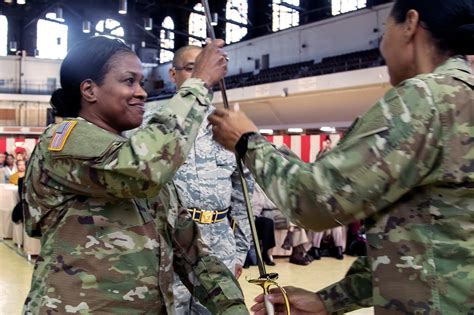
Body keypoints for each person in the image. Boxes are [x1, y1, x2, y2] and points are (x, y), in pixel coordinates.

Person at [208, 0, 474, 313]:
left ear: (410, 24)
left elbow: (317, 200)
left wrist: (247, 142)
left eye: (383, 34)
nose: (382, 48)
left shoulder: (424, 99)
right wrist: (329, 300)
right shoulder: (462, 96)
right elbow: (419, 244)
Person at [23, 36, 248, 314]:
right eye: (129, 81)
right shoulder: (62, 141)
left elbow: (193, 254)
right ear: (89, 90)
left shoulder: (136, 155)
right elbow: (145, 169)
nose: (141, 92)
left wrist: (233, 308)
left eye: (141, 82)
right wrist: (198, 82)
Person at [137, 45, 252, 315]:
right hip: (169, 248)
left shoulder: (228, 125)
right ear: (172, 74)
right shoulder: (152, 125)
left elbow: (243, 194)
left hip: (219, 246)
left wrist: (238, 251)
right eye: (191, 68)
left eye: (205, 65)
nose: (202, 73)